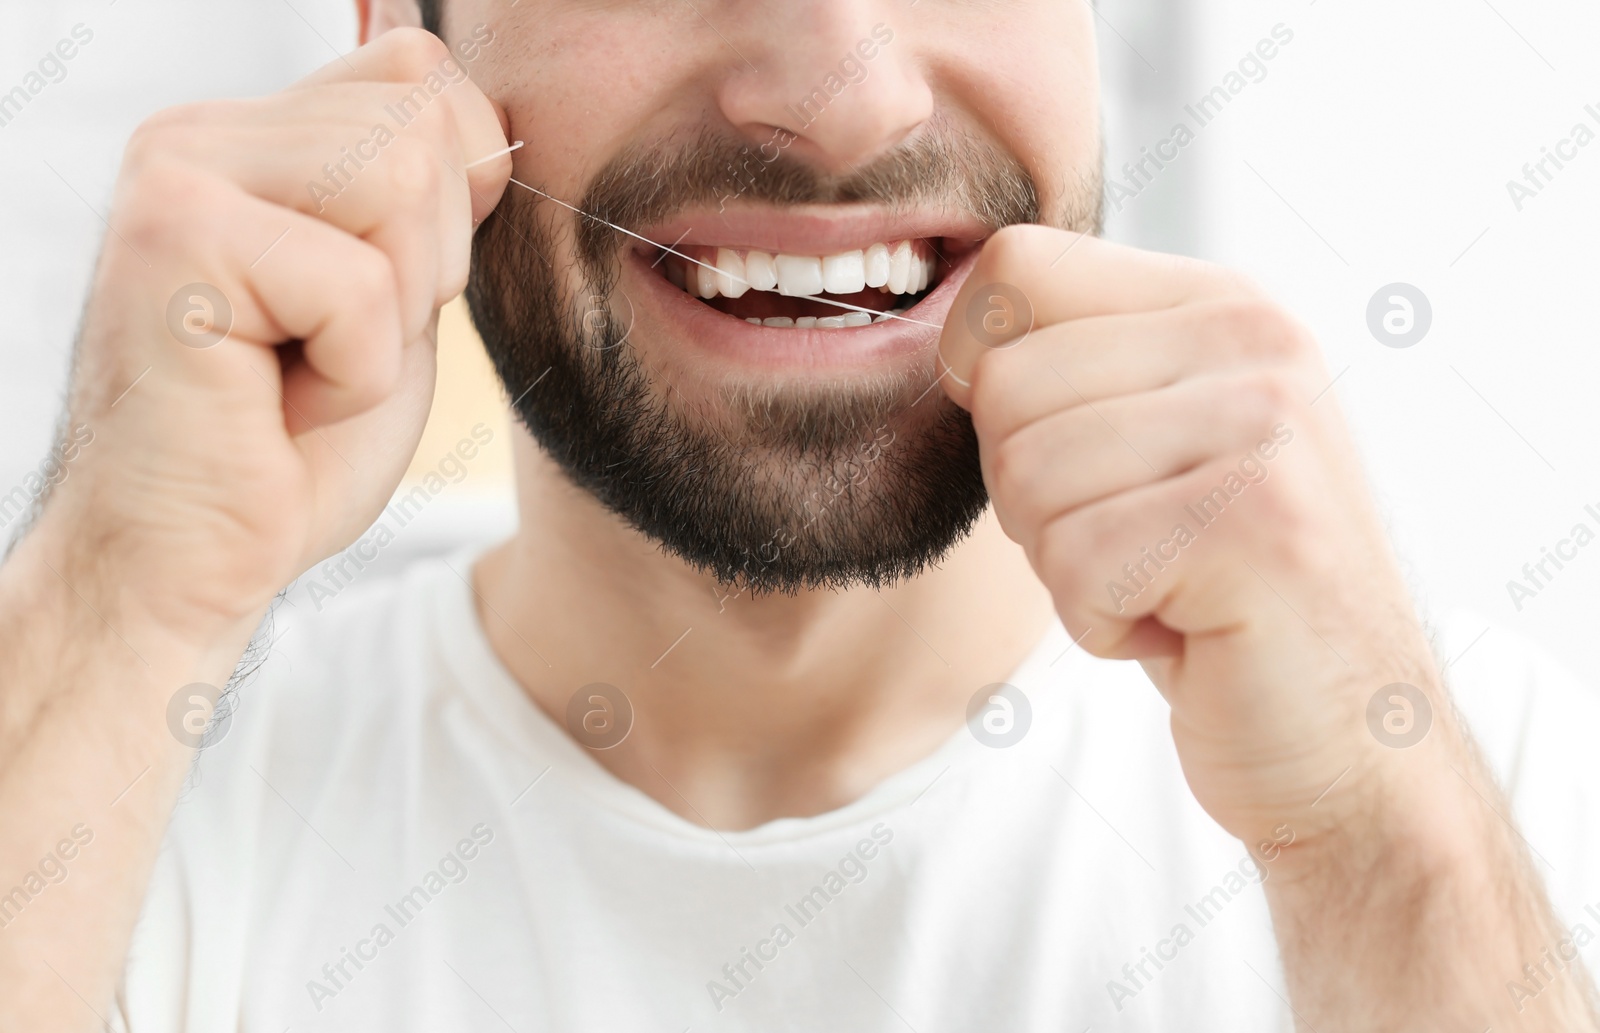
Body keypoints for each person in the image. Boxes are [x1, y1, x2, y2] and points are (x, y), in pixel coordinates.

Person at [1, 2, 1597, 1029]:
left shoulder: (1501, 818)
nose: (841, 98)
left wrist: (1381, 853)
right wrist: (112, 608)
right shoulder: (131, 818)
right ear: (395, 39)